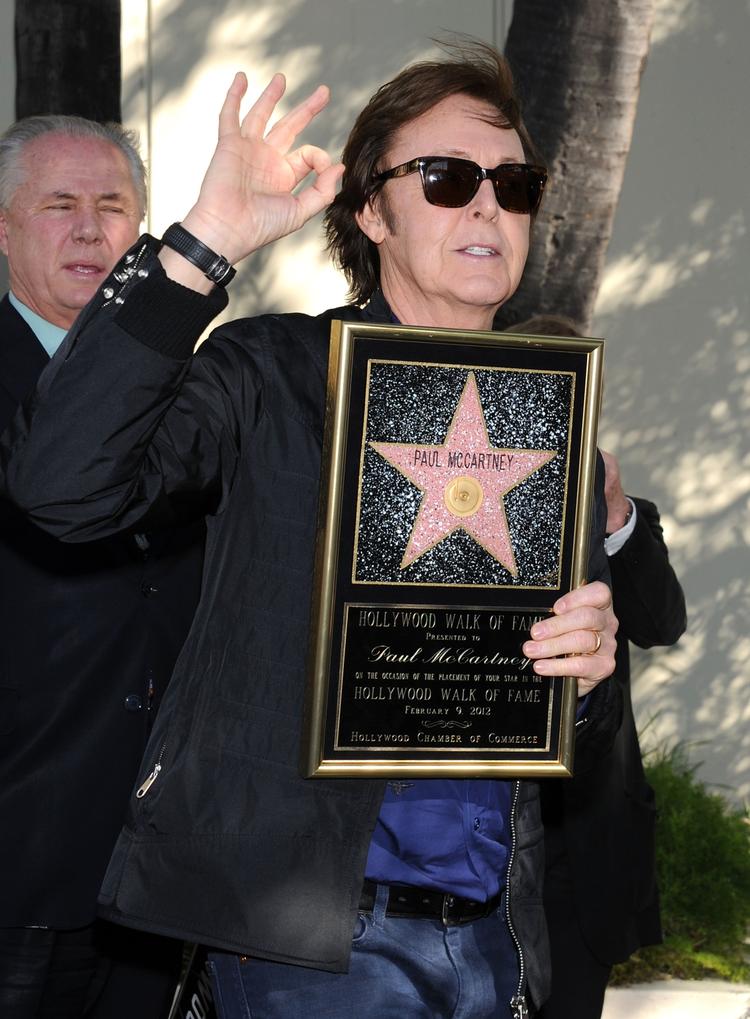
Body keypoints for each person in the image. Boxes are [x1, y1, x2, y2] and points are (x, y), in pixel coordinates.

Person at [2, 44, 620, 1019]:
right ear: (371, 210)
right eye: (448, 178)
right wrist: (203, 241)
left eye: (515, 182)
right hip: (308, 945)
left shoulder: (547, 416)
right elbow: (62, 484)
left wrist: (585, 679)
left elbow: (564, 720)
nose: (488, 206)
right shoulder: (274, 373)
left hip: (497, 944)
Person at [0, 116, 205, 1019]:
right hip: (16, 869)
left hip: (164, 877)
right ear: (2, 229)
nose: (90, 228)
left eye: (113, 207)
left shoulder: (201, 393)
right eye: (59, 205)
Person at [505, 315, 687, 1018]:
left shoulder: (620, 514)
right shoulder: (455, 510)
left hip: (583, 851)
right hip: (485, 836)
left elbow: (662, 621)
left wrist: (613, 506)